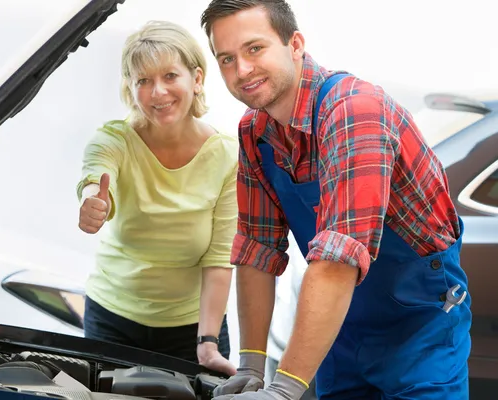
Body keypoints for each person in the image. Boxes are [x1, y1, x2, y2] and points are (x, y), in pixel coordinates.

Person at [199, 0, 472, 398]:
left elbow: (337, 260)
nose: (241, 70)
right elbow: (258, 250)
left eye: (254, 48)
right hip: (338, 331)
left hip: (420, 333)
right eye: (226, 58)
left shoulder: (354, 112)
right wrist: (252, 366)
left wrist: (282, 392)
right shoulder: (254, 132)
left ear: (294, 44)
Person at [76, 20, 238, 376]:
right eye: (143, 81)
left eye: (169, 76)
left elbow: (219, 258)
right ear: (131, 89)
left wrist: (207, 342)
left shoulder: (227, 156)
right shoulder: (114, 140)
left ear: (196, 79)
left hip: (192, 328)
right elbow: (97, 176)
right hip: (111, 319)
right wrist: (93, 203)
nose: (157, 92)